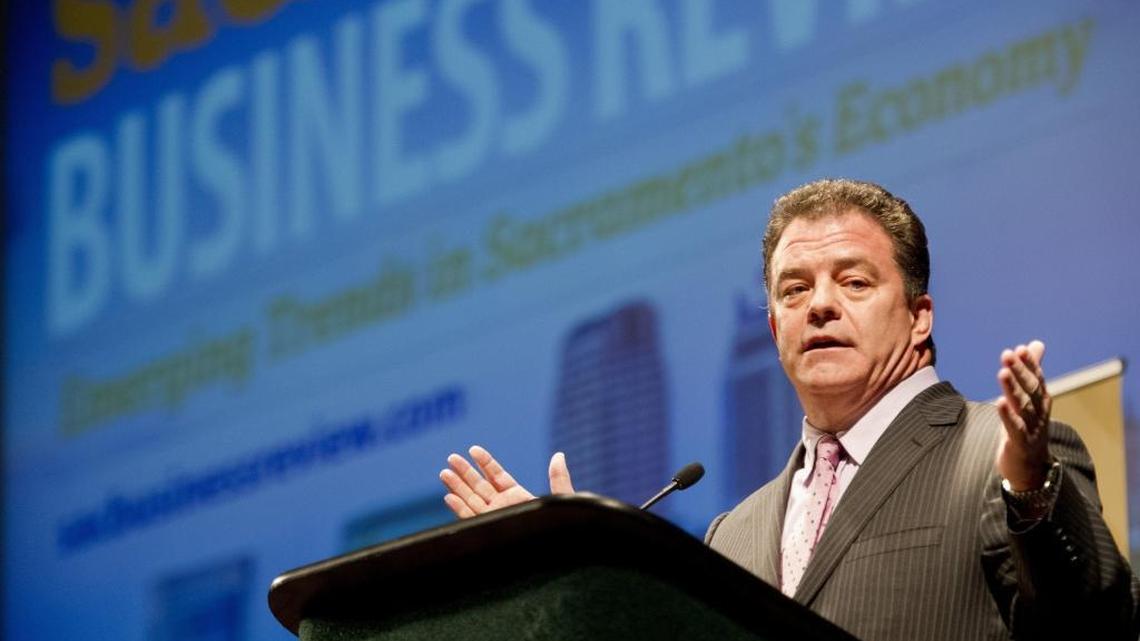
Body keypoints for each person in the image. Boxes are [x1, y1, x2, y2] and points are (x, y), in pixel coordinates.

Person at [439, 179, 1139, 640]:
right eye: (795, 288)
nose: (821, 303)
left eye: (854, 280)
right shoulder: (731, 533)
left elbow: (1095, 623)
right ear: (775, 329)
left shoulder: (1000, 453)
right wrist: (573, 584)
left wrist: (1029, 492)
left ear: (920, 316)